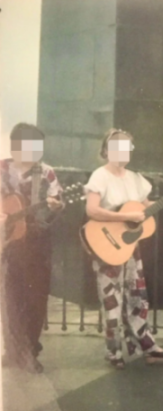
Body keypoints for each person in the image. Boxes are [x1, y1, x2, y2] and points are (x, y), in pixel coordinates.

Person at [84, 128, 163, 369]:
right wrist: (126, 216)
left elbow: (145, 207)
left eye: (127, 147)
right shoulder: (100, 176)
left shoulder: (135, 179)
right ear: (107, 151)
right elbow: (92, 210)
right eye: (118, 147)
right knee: (111, 301)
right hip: (107, 245)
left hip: (130, 249)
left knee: (138, 298)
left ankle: (145, 344)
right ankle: (113, 351)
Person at [1, 123, 64, 373]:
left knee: (35, 298)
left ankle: (29, 351)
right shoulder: (2, 168)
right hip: (8, 244)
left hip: (37, 243)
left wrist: (55, 207)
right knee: (9, 299)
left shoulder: (46, 173)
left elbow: (56, 204)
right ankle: (13, 350)